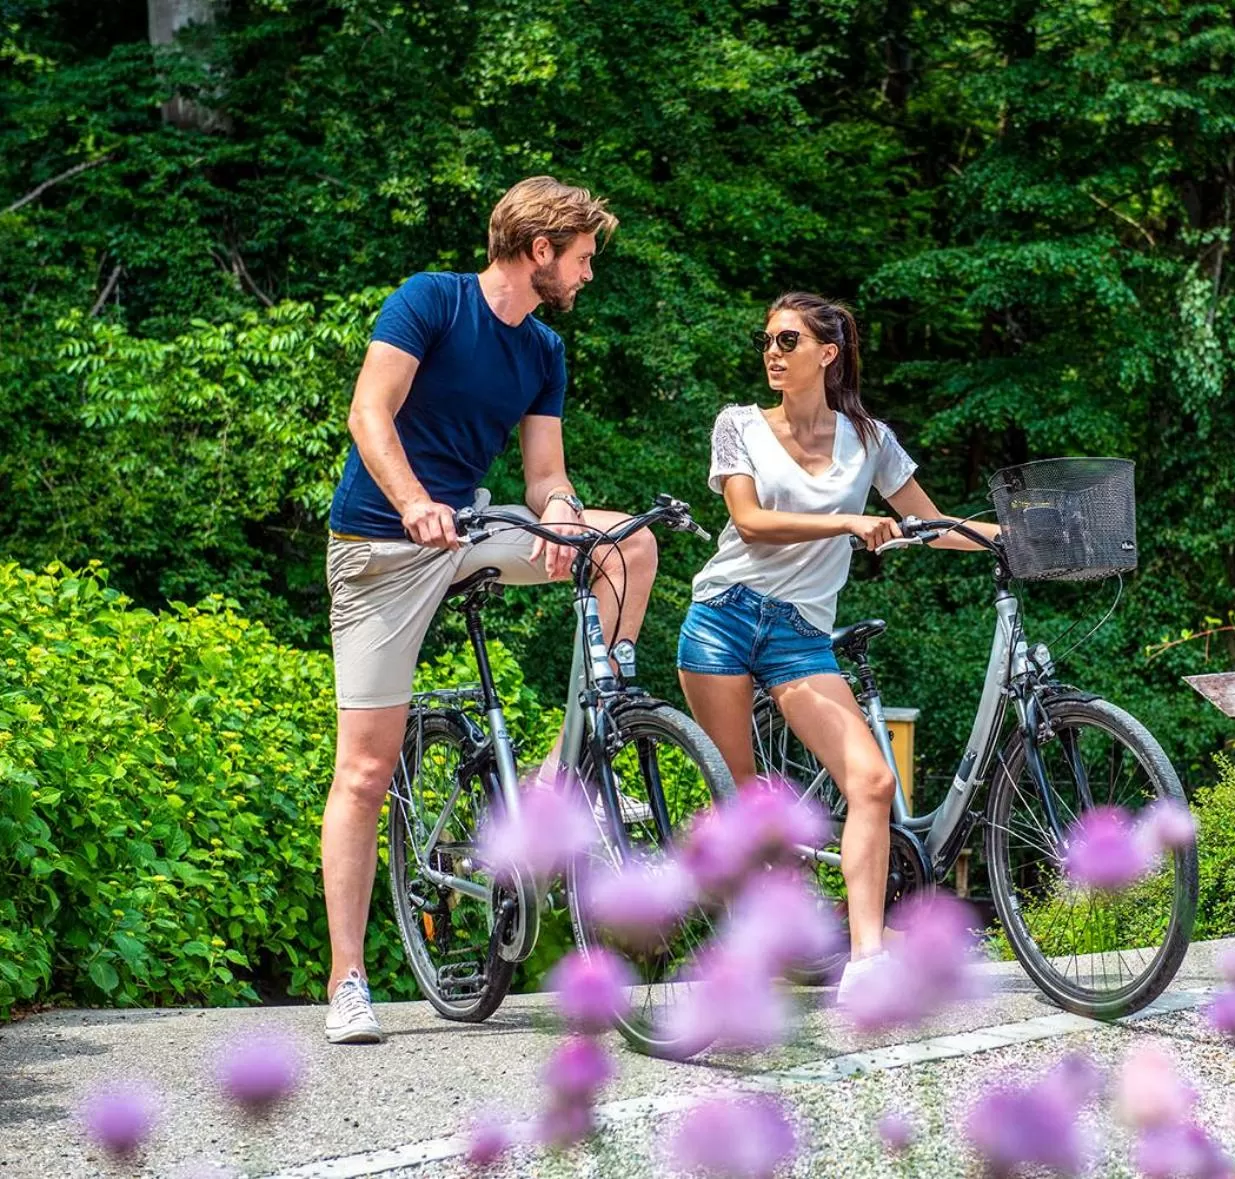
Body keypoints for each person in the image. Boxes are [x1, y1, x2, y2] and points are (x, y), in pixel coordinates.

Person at [320, 177, 657, 1044]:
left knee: (628, 546)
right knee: (365, 769)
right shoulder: (431, 301)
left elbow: (545, 476)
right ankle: (348, 979)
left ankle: (568, 769)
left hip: (470, 531)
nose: (587, 275)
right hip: (381, 548)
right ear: (540, 250)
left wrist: (562, 514)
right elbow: (369, 411)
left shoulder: (543, 350)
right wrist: (411, 502)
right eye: (582, 258)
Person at [676, 291, 998, 999]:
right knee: (747, 806)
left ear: (828, 353)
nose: (772, 352)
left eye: (788, 341)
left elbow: (927, 523)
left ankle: (866, 959)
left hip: (799, 636)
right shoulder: (738, 425)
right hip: (723, 619)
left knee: (872, 781)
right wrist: (849, 523)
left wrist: (1008, 538)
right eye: (767, 340)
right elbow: (749, 521)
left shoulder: (869, 439)